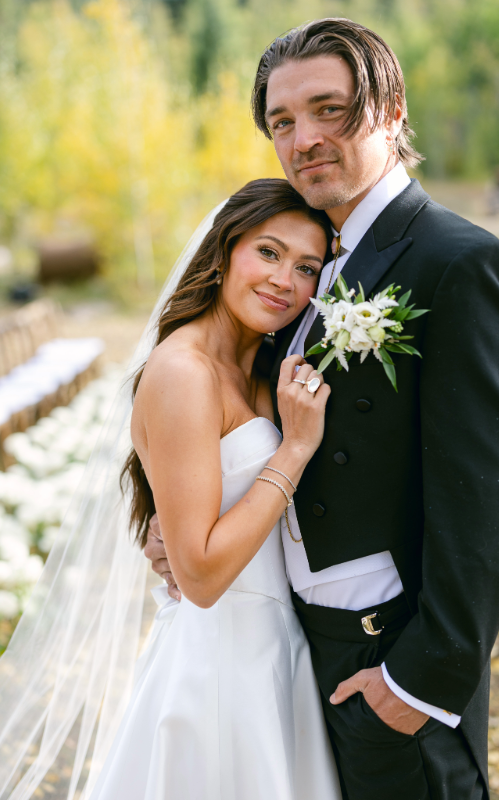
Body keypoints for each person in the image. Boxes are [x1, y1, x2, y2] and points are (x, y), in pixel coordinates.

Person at [146, 18, 499, 800]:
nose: (303, 138)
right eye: (282, 122)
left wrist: (421, 682)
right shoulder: (307, 258)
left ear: (390, 110)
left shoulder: (456, 260)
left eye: (329, 109)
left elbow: (494, 490)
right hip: (290, 649)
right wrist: (185, 521)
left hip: (387, 666)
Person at [87, 178, 342, 800]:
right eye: (269, 252)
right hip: (222, 667)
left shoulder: (261, 366)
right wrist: (295, 450)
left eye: (307, 267)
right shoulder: (183, 371)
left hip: (277, 652)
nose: (285, 280)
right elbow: (199, 577)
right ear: (223, 251)